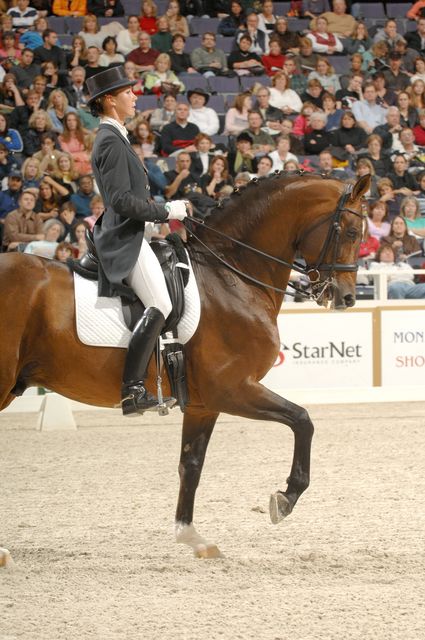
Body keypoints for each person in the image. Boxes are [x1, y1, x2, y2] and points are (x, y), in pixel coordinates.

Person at [86, 65, 190, 414]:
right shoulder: (110, 140)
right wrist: (167, 210)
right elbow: (120, 200)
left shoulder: (116, 136)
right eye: (128, 92)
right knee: (161, 303)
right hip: (122, 237)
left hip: (130, 231)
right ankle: (132, 389)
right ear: (109, 100)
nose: (134, 96)